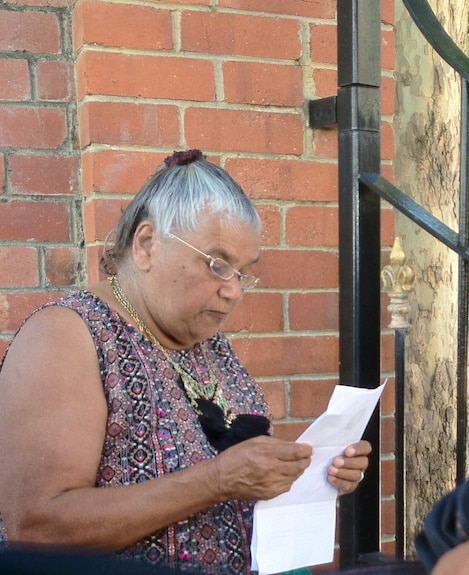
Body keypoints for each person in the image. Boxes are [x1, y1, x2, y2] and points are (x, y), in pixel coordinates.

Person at [0, 150, 371, 574]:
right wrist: (215, 481)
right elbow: (36, 526)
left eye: (244, 272)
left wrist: (311, 472)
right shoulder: (68, 335)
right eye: (218, 264)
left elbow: (242, 473)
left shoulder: (208, 343)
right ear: (146, 245)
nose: (234, 291)